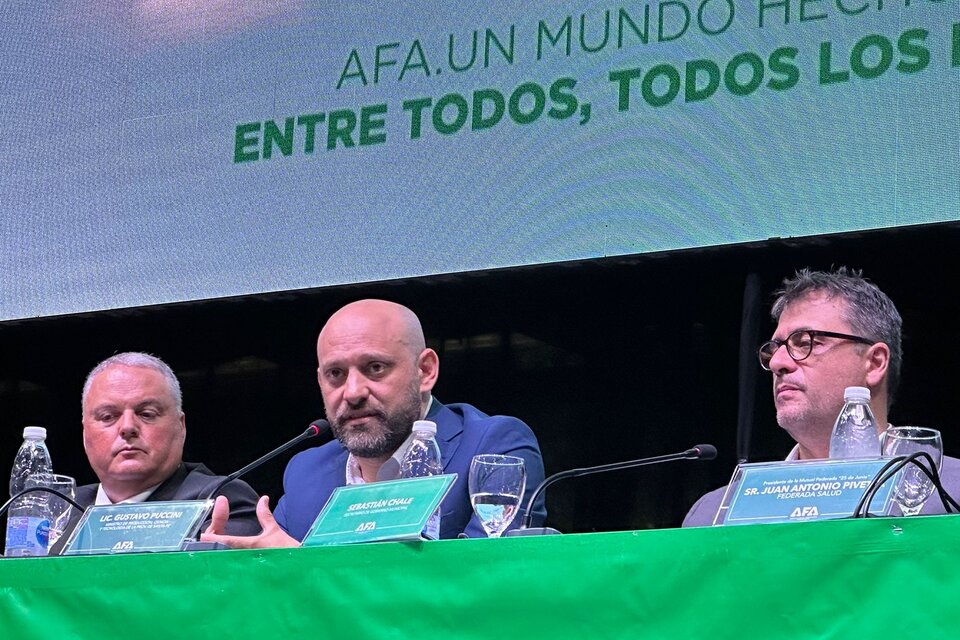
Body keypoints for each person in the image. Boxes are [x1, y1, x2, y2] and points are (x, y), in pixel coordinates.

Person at [201, 299, 546, 547]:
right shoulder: (306, 470)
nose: (352, 392)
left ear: (425, 371)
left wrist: (301, 568)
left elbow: (484, 583)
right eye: (336, 374)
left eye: (375, 368)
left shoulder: (491, 446)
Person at [684, 267, 960, 526]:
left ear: (874, 363)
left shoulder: (951, 491)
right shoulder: (714, 514)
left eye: (805, 342)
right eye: (775, 348)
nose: (778, 362)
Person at [51, 352, 261, 553]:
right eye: (107, 416)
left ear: (181, 426)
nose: (127, 427)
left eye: (146, 414)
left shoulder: (221, 501)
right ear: (85, 433)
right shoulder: (54, 511)